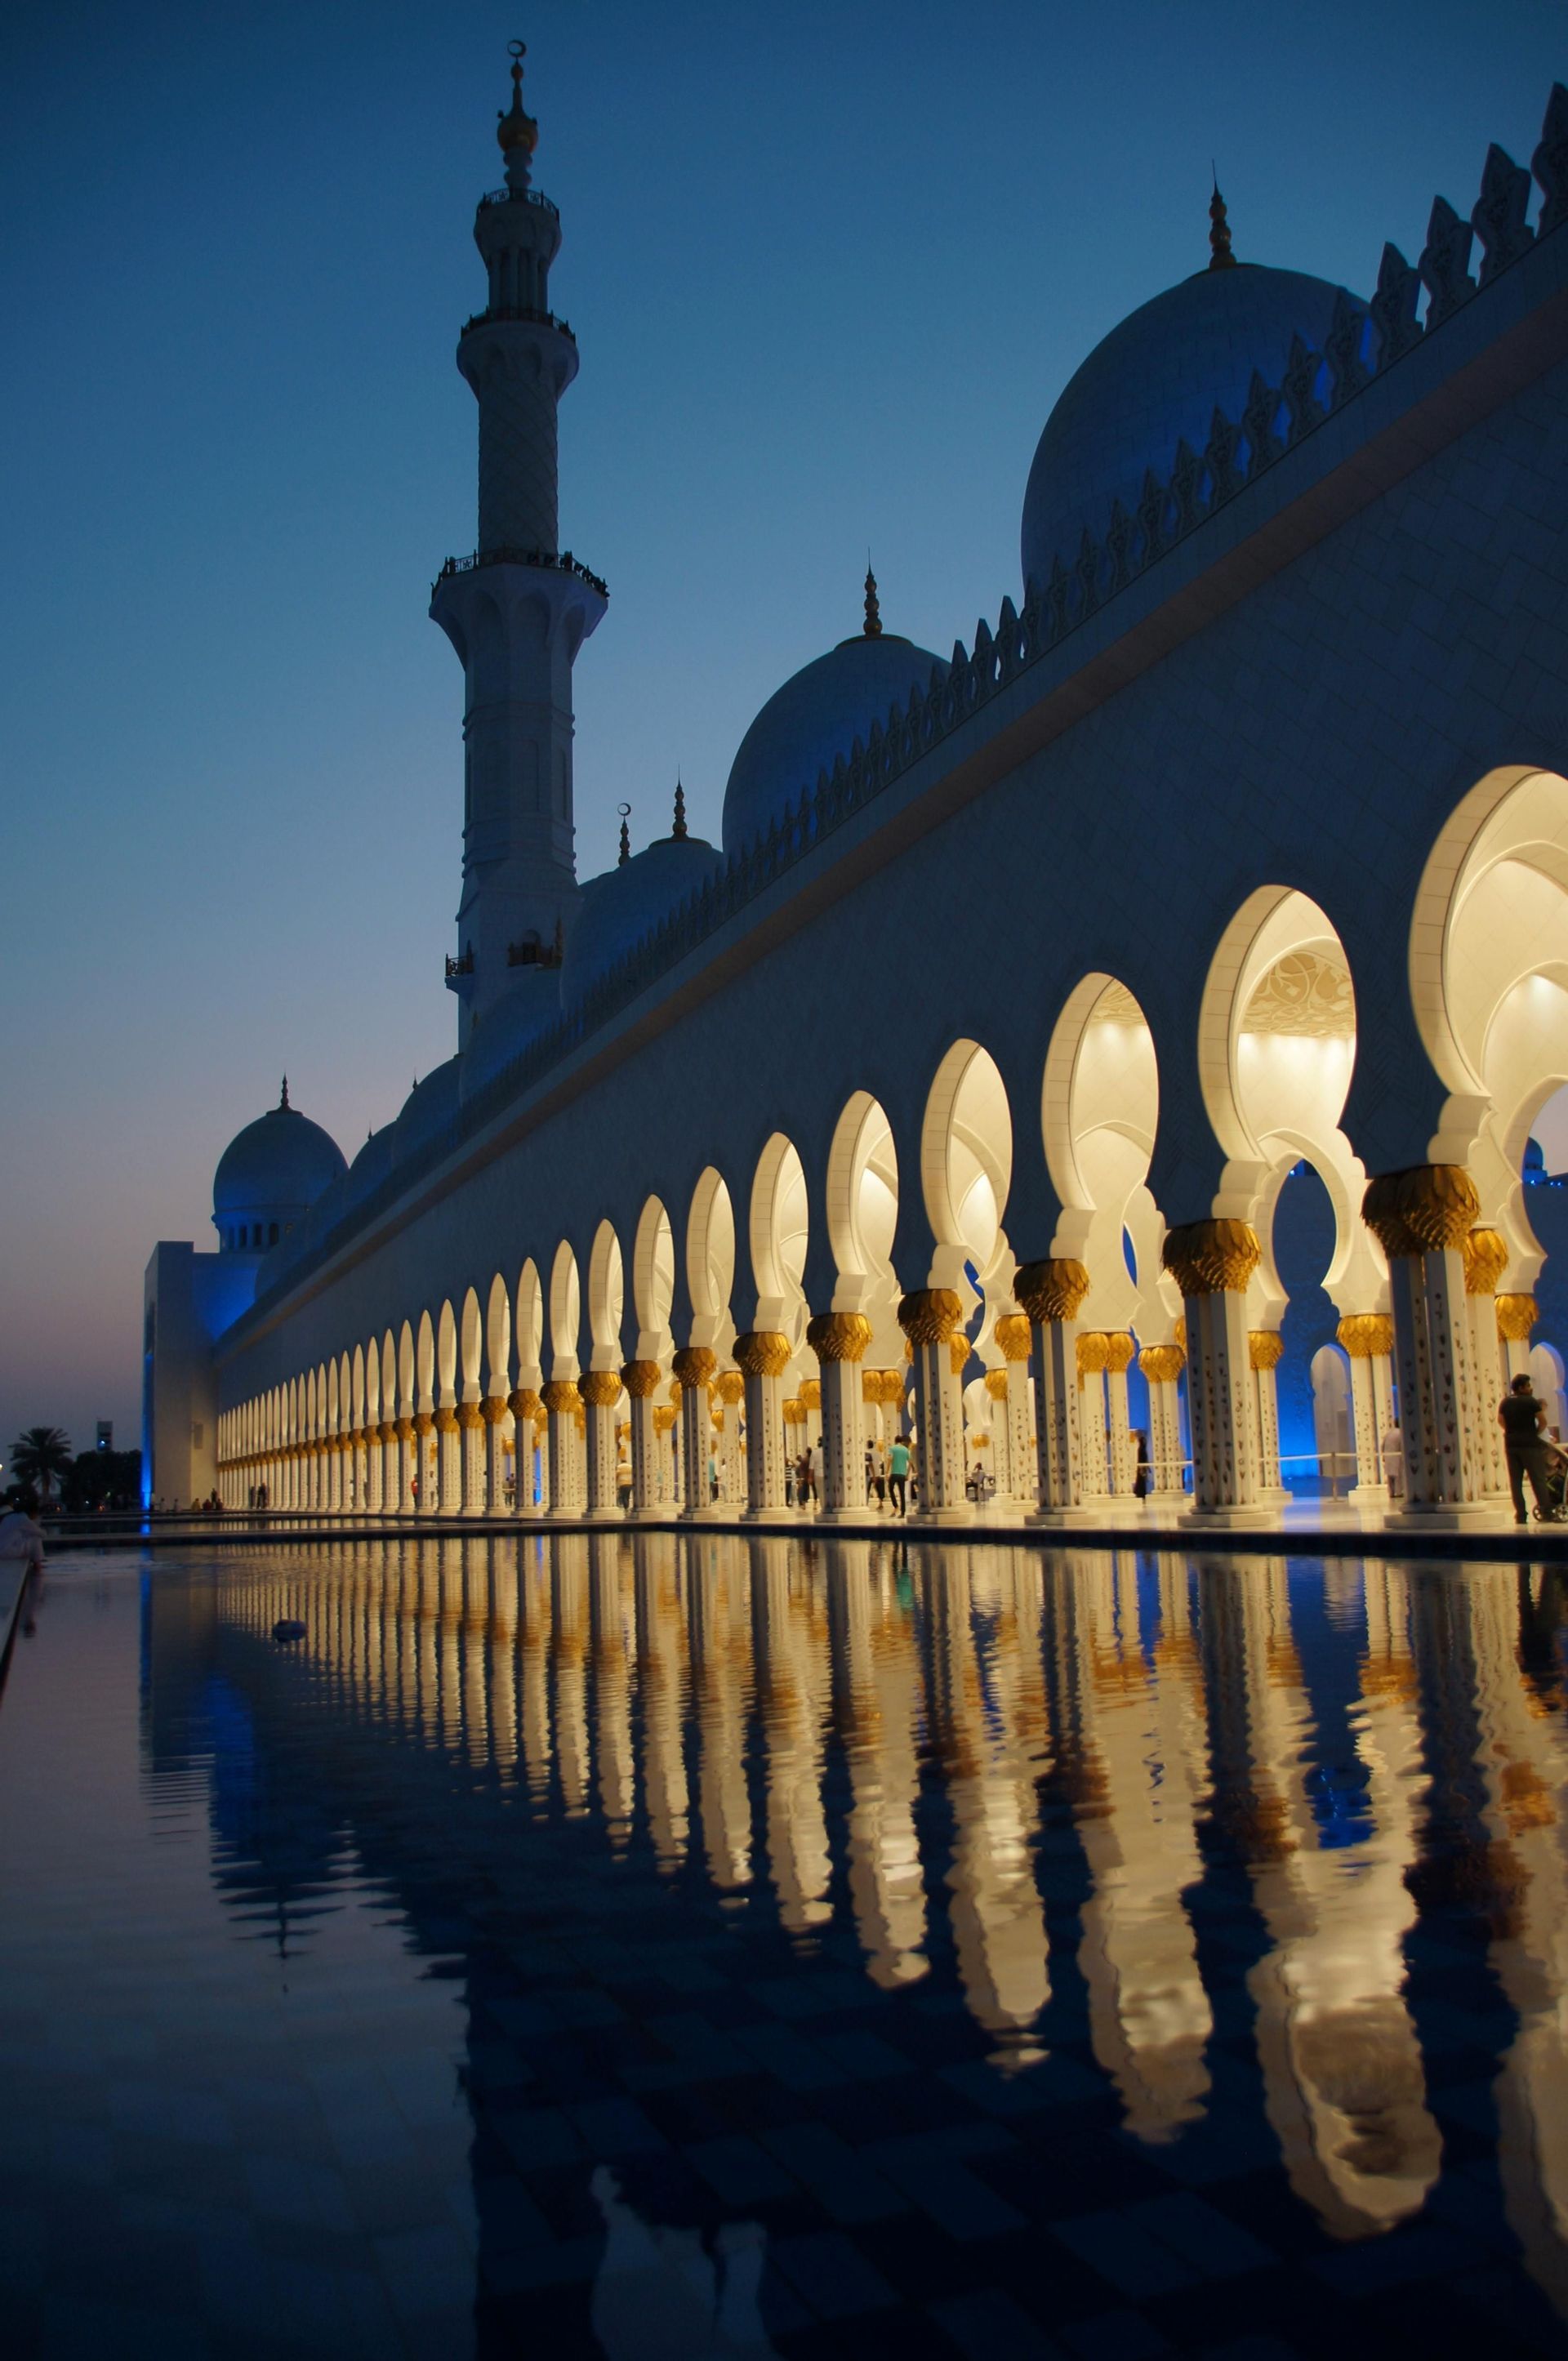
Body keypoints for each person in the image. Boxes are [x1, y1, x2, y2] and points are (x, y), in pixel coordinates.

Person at [1499, 1374, 1564, 1524]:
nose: (1530, 1388)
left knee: (1515, 1482)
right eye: (1528, 1386)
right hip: (1530, 1446)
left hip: (1511, 1446)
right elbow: (1543, 1422)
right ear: (1521, 1388)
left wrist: (1512, 1433)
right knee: (1538, 1479)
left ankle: (1520, 1515)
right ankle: (1546, 1512)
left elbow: (1500, 1421)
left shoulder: (1505, 1402)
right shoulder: (1530, 1402)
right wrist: (1533, 1434)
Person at [0, 1490, 47, 1570]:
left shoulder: (11, 1517)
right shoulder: (23, 1519)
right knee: (36, 1539)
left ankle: (36, 1562)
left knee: (30, 1536)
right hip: (6, 1552)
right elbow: (42, 1534)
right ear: (32, 1512)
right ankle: (37, 1564)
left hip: (3, 1550)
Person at [888, 1435, 910, 1518]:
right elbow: (910, 1462)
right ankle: (903, 1513)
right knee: (902, 1493)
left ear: (895, 1441)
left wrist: (887, 1472)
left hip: (894, 1473)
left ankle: (896, 1506)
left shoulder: (892, 1448)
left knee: (890, 1489)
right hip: (902, 1474)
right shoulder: (906, 1450)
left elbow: (890, 1459)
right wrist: (907, 1474)